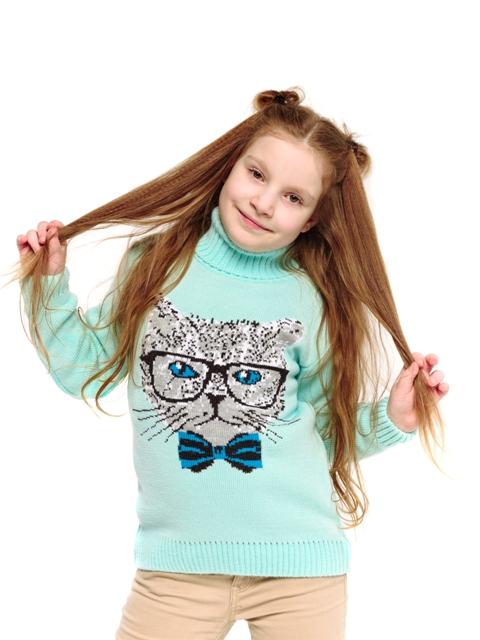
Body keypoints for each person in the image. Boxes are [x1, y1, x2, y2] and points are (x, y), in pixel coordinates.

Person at [16, 88, 448, 640]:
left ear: (313, 219)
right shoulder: (156, 264)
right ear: (229, 166)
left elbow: (323, 430)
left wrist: (394, 419)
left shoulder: (312, 300)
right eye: (257, 174)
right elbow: (83, 366)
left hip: (300, 566)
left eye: (293, 197)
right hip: (176, 566)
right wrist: (48, 285)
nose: (264, 203)